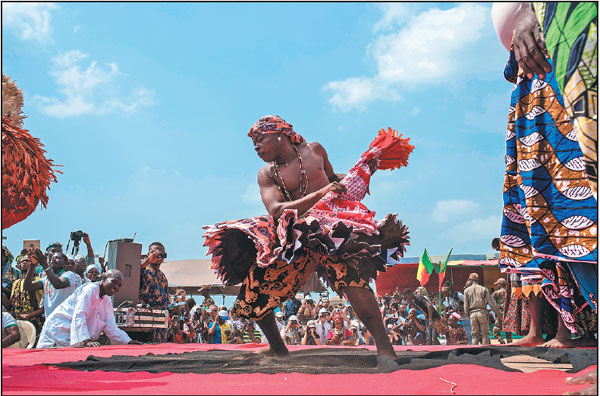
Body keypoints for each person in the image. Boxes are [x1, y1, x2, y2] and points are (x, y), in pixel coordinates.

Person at [202, 115, 413, 371]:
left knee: (354, 282)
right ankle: (278, 348)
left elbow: (334, 178)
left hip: (331, 230)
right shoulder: (267, 173)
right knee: (256, 285)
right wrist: (319, 194)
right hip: (294, 238)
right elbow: (276, 209)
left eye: (260, 139)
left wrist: (364, 171)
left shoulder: (315, 150)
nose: (256, 147)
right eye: (253, 143)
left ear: (280, 134)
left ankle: (384, 349)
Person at [492, 2, 598, 348]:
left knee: (585, 216)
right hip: (537, 89)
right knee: (557, 225)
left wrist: (531, 13)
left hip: (565, 68)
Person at [36, 270, 141, 348]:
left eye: (119, 285)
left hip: (72, 335)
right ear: (104, 279)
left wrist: (127, 341)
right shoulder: (90, 289)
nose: (116, 287)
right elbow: (79, 315)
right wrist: (85, 340)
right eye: (113, 282)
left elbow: (110, 325)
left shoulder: (107, 299)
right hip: (59, 330)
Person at [23, 249, 83, 318]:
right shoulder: (46, 279)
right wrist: (32, 265)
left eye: (58, 258)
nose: (54, 260)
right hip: (50, 322)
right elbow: (28, 286)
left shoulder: (70, 275)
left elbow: (58, 284)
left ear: (65, 264)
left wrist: (44, 264)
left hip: (66, 321)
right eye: (52, 258)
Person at [4, 254, 44, 334]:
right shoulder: (16, 283)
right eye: (22, 261)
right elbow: (10, 306)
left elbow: (46, 306)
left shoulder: (38, 281)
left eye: (27, 261)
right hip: (19, 324)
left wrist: (29, 315)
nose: (24, 263)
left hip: (35, 323)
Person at [138, 242, 169, 343]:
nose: (158, 257)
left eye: (161, 254)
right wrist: (148, 260)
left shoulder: (162, 276)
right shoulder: (143, 270)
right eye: (154, 253)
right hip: (144, 320)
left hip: (160, 319)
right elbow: (132, 272)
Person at [463, 273, 500, 345]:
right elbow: (492, 303)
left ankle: (474, 353)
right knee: (485, 335)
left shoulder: (466, 291)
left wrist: (468, 315)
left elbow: (466, 306)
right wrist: (498, 314)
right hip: (482, 313)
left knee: (474, 335)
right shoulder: (483, 289)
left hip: (472, 314)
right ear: (477, 280)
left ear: (470, 280)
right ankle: (485, 351)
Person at [491, 277, 512, 344]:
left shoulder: (496, 293)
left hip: (500, 313)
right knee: (508, 329)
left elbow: (490, 301)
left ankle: (501, 340)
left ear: (500, 284)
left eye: (497, 284)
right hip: (508, 312)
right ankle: (509, 342)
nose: (496, 285)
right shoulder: (509, 292)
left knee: (496, 330)